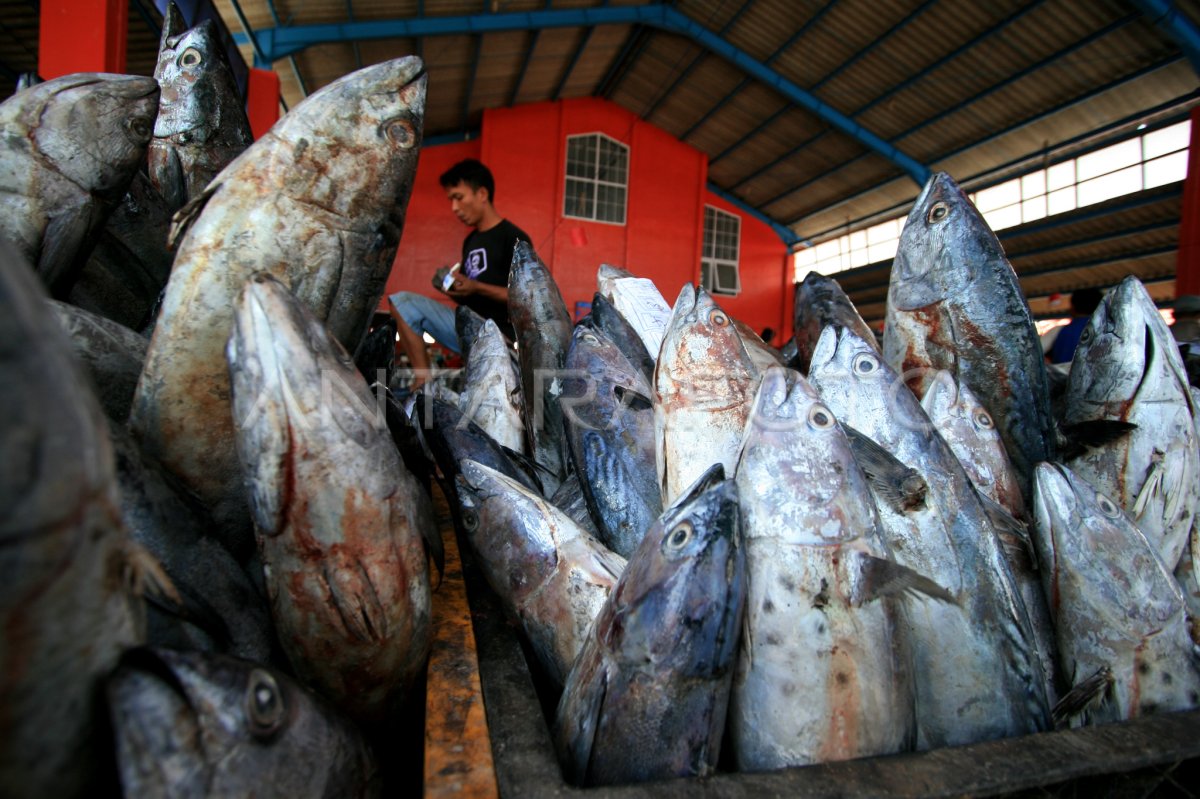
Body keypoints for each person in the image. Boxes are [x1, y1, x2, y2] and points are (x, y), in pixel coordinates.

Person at [389, 159, 531, 389]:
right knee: (402, 303)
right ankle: (423, 380)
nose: (454, 207)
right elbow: (469, 297)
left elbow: (526, 298)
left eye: (459, 197)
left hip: (499, 338)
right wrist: (452, 289)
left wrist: (476, 287)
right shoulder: (471, 241)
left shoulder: (514, 238)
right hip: (467, 330)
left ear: (482, 193)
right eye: (451, 200)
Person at [1044, 287, 1103, 365]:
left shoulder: (1059, 330)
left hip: (1063, 376)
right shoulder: (1108, 330)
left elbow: (1033, 352)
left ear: (1073, 307)